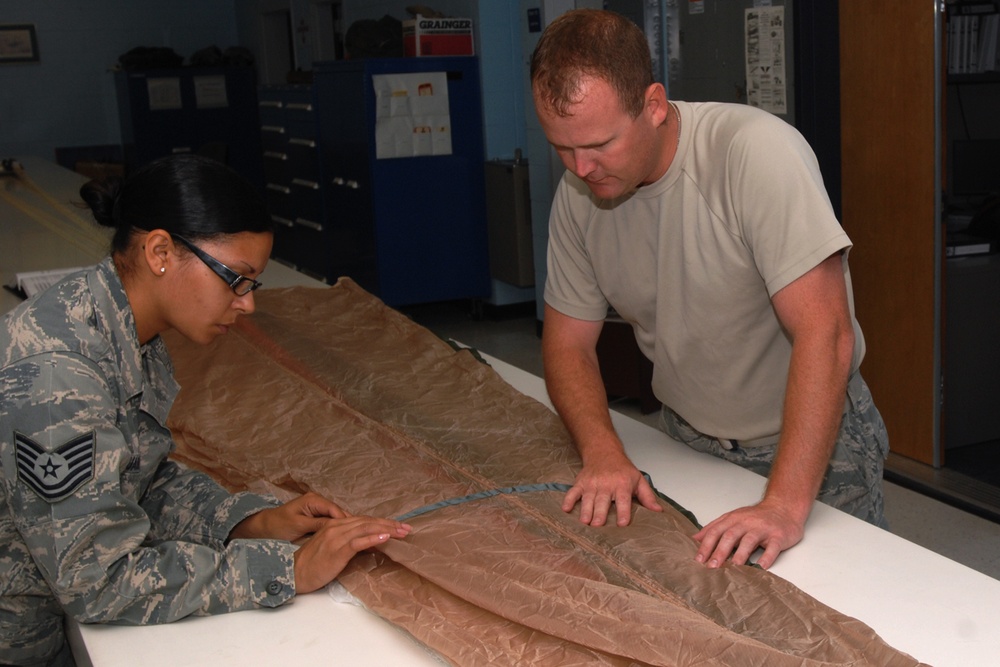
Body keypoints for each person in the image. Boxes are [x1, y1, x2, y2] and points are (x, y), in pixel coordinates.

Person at [0, 154, 411, 666]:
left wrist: (250, 522)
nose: (247, 304)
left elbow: (135, 479)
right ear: (160, 251)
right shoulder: (58, 377)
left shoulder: (118, 325)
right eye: (235, 278)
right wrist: (286, 570)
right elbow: (98, 582)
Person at [530, 9, 889, 572]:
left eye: (599, 144)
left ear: (652, 105)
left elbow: (827, 331)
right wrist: (603, 454)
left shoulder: (755, 154)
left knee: (840, 616)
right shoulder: (579, 193)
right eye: (562, 148)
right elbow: (567, 344)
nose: (581, 168)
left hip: (807, 448)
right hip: (687, 439)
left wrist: (785, 506)